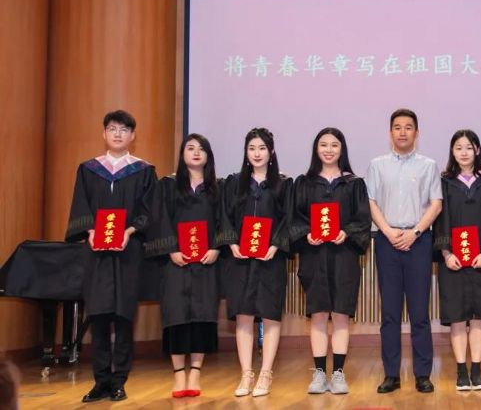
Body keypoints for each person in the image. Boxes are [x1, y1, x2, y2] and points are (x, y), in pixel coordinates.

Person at [65, 110, 157, 403]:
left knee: (124, 315)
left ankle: (119, 381)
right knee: (99, 315)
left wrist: (130, 230)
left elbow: (149, 210)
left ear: (133, 136)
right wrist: (90, 231)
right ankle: (100, 381)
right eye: (113, 129)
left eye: (124, 129)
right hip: (97, 252)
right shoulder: (89, 170)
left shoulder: (143, 171)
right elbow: (81, 205)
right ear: (104, 133)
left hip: (128, 251)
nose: (118, 134)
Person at [288, 128, 371, 395]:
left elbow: (362, 219)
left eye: (334, 145)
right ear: (316, 149)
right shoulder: (304, 183)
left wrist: (346, 232)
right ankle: (319, 373)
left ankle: (338, 373)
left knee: (341, 314)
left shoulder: (354, 184)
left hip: (344, 255)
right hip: (314, 256)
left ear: (342, 149)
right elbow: (295, 218)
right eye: (323, 145)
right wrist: (306, 234)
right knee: (319, 314)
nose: (328, 150)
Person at [366, 108, 442, 394]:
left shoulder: (428, 165)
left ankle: (423, 374)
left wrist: (415, 232)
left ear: (416, 133)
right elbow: (371, 202)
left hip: (418, 241)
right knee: (390, 313)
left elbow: (436, 203)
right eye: (397, 127)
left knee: (420, 313)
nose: (402, 132)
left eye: (408, 127)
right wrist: (387, 231)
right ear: (390, 133)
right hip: (387, 242)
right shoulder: (377, 165)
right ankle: (391, 374)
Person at [146, 134, 223, 398]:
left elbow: (223, 220)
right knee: (176, 315)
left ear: (208, 156)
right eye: (190, 148)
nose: (196, 153)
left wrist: (216, 248)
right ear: (182, 154)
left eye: (202, 149)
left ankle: (195, 373)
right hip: (176, 261)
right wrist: (171, 249)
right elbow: (160, 219)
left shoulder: (217, 188)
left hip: (206, 261)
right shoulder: (167, 185)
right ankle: (179, 374)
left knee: (203, 314)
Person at [221, 128, 292, 397]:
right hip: (240, 259)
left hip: (270, 258)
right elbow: (224, 216)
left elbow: (288, 219)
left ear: (271, 151)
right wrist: (232, 244)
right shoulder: (233, 183)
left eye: (262, 148)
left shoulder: (283, 184)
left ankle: (266, 373)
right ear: (246, 152)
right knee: (244, 315)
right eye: (252, 148)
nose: (257, 153)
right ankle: (246, 373)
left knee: (270, 314)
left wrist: (275, 246)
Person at [434, 129, 481, 391]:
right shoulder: (444, 183)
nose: (464, 152)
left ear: (477, 150)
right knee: (457, 316)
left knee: (478, 317)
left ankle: (477, 369)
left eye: (468, 147)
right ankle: (461, 370)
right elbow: (440, 220)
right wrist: (446, 253)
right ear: (452, 152)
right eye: (458, 148)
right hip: (453, 260)